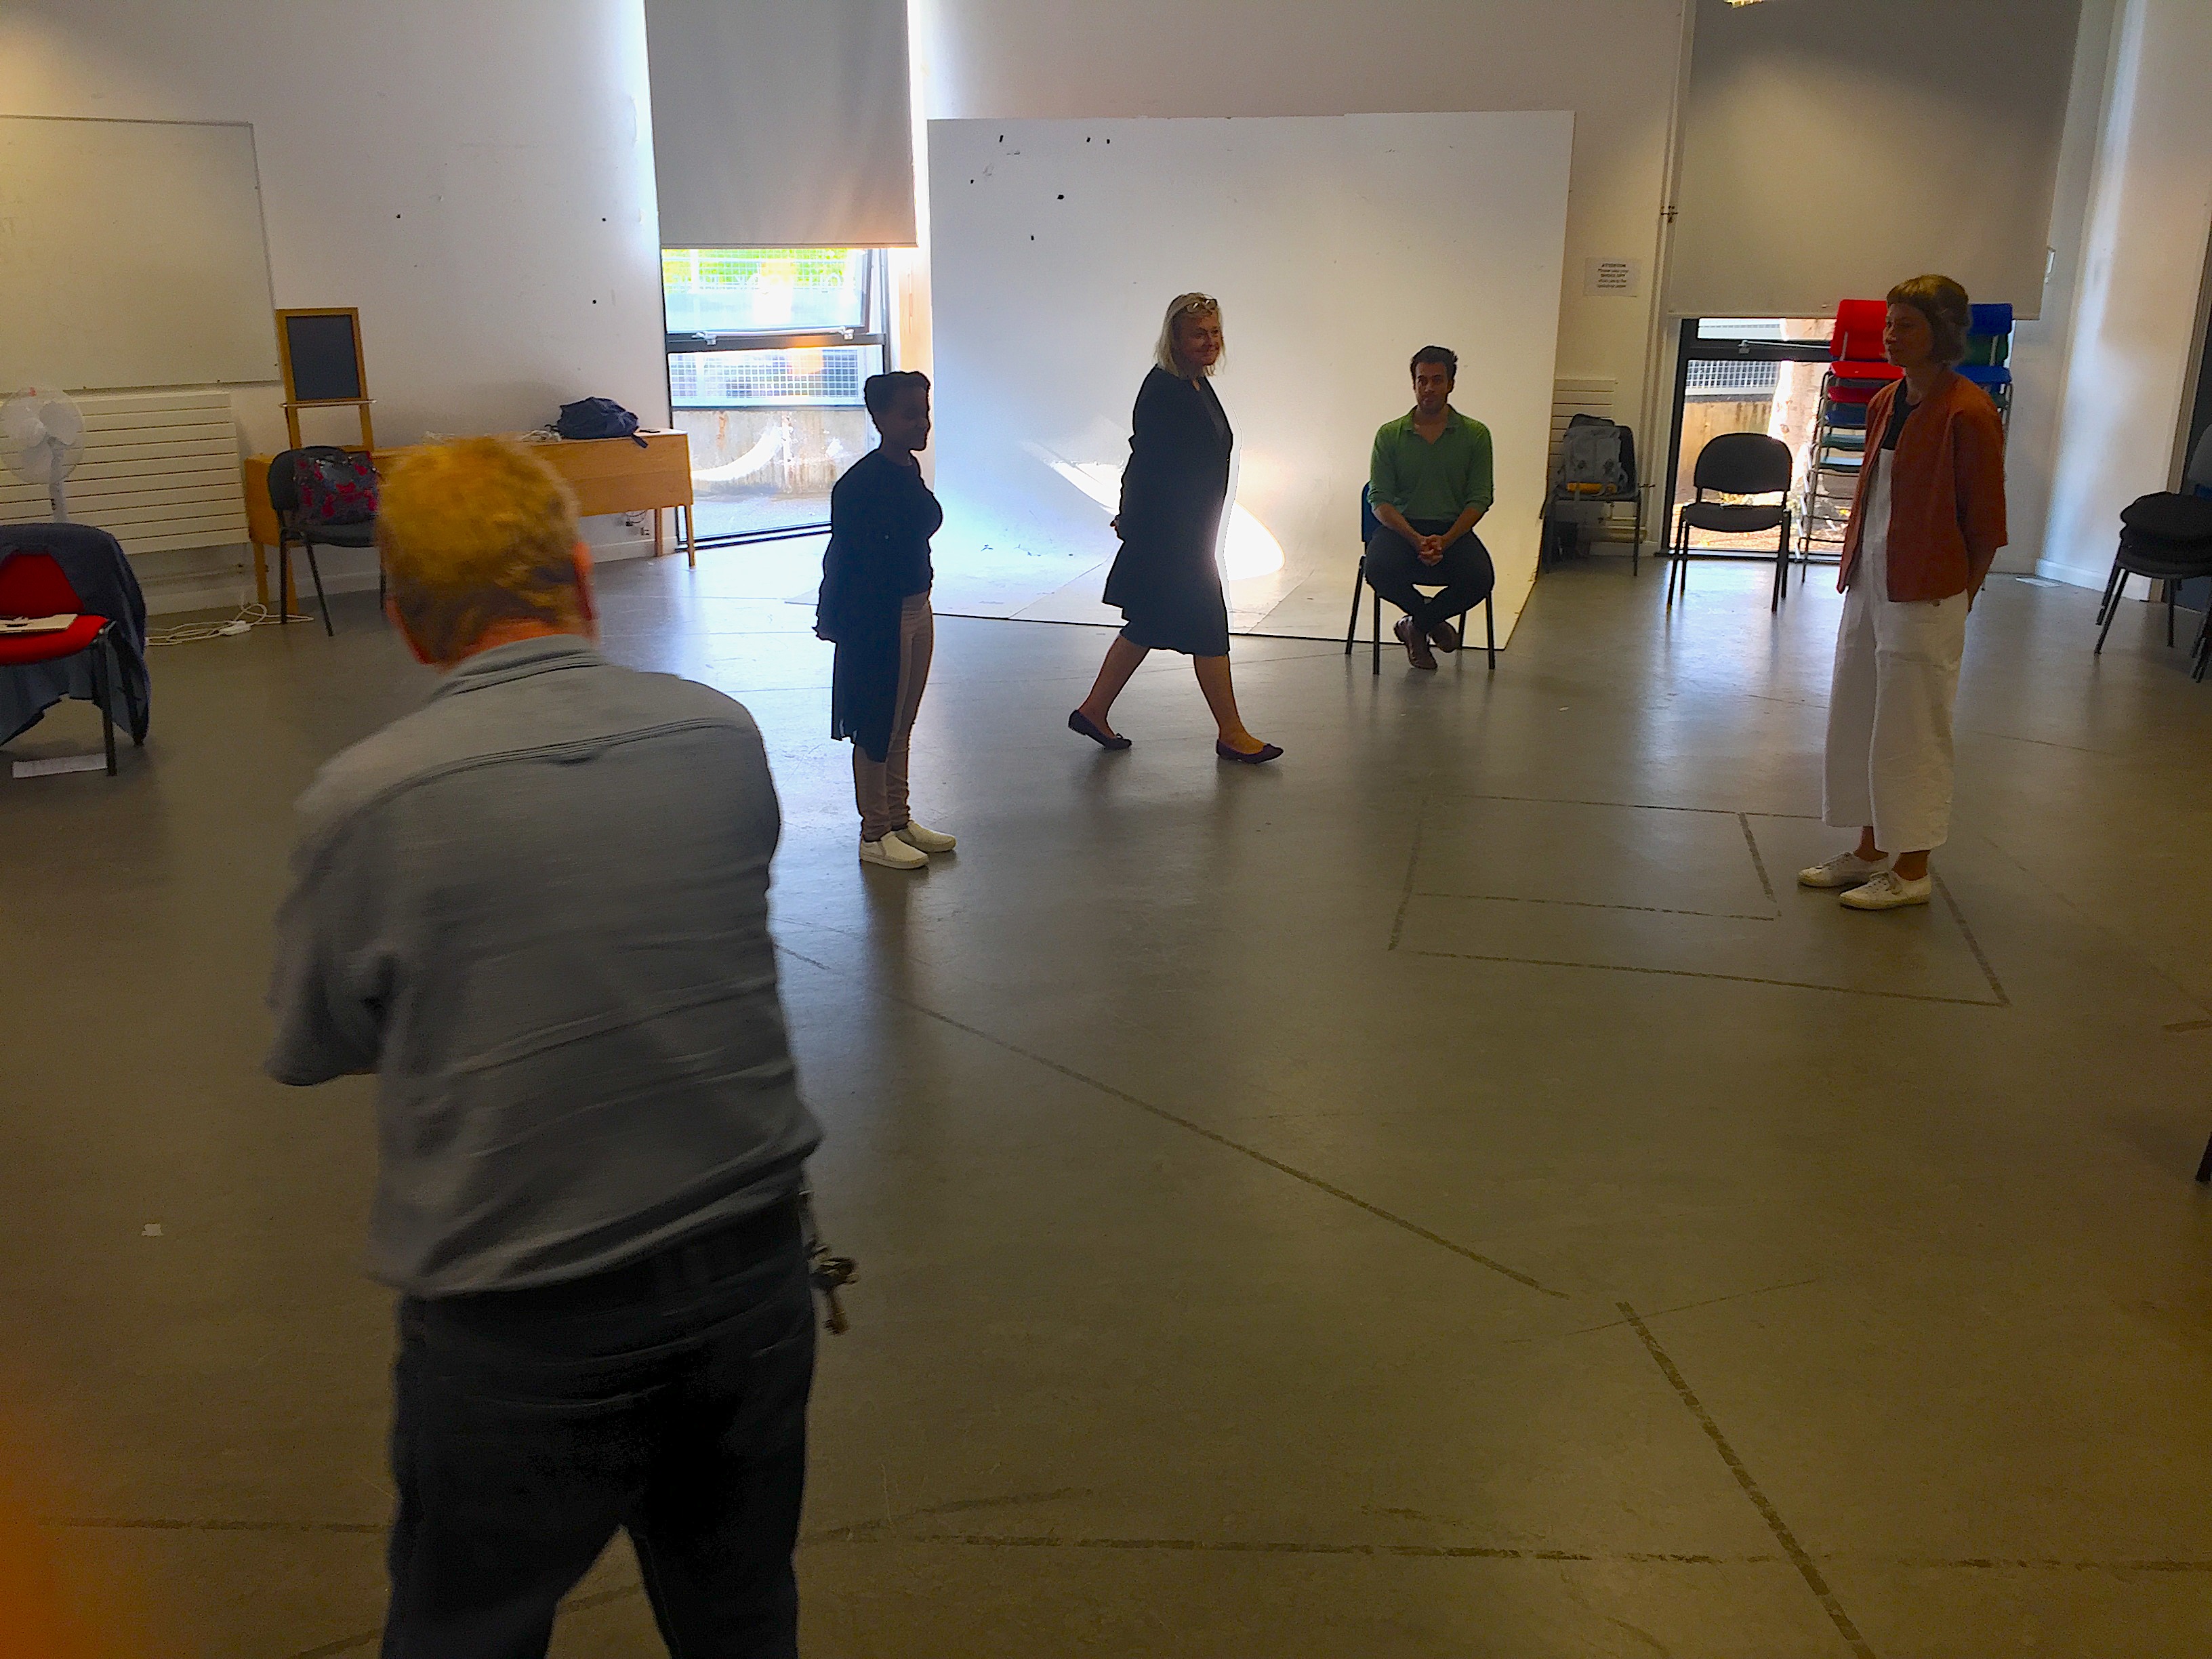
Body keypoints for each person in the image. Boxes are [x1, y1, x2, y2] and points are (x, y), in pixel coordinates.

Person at [265, 438, 825, 1658]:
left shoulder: (366, 801)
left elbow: (315, 1039)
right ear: (579, 573)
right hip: (751, 1276)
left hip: (516, 1321)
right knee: (741, 1614)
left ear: (409, 621)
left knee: (467, 1630)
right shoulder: (720, 734)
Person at [1797, 274, 2007, 911]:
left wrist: (1959, 599)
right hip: (1871, 581)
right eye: (1889, 323)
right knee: (1860, 713)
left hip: (1928, 594)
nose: (1891, 335)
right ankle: (1868, 852)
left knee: (1913, 729)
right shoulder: (1887, 400)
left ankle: (1912, 869)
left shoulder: (1969, 413)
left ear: (1941, 333)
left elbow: (1986, 526)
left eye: (1906, 325)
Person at [1070, 291, 1281, 762]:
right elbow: (1144, 463)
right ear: (1175, 340)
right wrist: (1132, 518)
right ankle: (1231, 733)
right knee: (1208, 629)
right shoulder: (1164, 390)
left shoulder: (1195, 383)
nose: (1210, 342)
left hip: (1189, 533)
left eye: (1215, 332)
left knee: (1147, 624)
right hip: (1171, 538)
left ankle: (1093, 710)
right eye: (1198, 334)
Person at [818, 369, 956, 870]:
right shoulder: (859, 484)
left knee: (903, 724)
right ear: (879, 418)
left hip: (918, 608)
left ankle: (899, 818)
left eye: (926, 413)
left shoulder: (908, 470)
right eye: (909, 415)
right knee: (877, 724)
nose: (922, 424)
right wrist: (837, 620)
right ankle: (874, 832)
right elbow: (844, 557)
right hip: (880, 617)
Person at [1366, 346, 1496, 670]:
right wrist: (1415, 539)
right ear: (1413, 384)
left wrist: (1446, 540)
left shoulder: (1475, 435)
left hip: (1452, 530)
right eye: (1422, 380)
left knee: (1480, 578)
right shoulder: (1390, 435)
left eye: (1437, 380)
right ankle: (1430, 622)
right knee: (1377, 569)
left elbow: (1480, 498)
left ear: (1451, 384)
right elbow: (1379, 499)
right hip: (1401, 528)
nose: (1428, 388)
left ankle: (1416, 625)